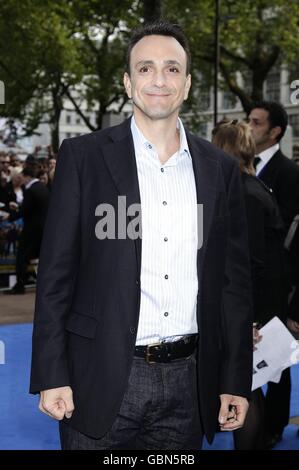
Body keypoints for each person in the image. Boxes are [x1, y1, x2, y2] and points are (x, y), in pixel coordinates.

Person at [30, 21, 253, 450]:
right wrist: (51, 373)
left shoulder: (218, 170)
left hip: (190, 384)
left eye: (172, 69)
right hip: (99, 376)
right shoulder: (84, 158)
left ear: (187, 85)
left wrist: (235, 378)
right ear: (128, 83)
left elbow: (232, 286)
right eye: (146, 68)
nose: (159, 79)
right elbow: (56, 276)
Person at [212, 120, 286, 449]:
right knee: (248, 384)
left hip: (254, 307)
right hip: (258, 302)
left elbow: (251, 263)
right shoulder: (252, 187)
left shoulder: (245, 193)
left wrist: (247, 319)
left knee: (246, 385)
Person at [248, 101, 299, 448]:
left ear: (274, 131)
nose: (249, 127)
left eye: (255, 122)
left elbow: (289, 237)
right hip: (246, 282)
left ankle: (275, 425)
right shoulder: (241, 166)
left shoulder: (289, 173)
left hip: (276, 285)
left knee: (277, 361)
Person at [7, 165, 50, 294]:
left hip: (32, 230)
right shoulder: (44, 188)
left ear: (27, 176)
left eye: (23, 178)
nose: (22, 181)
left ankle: (20, 285)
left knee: (22, 256)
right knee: (42, 257)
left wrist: (11, 215)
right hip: (44, 229)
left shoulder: (31, 190)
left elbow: (25, 211)